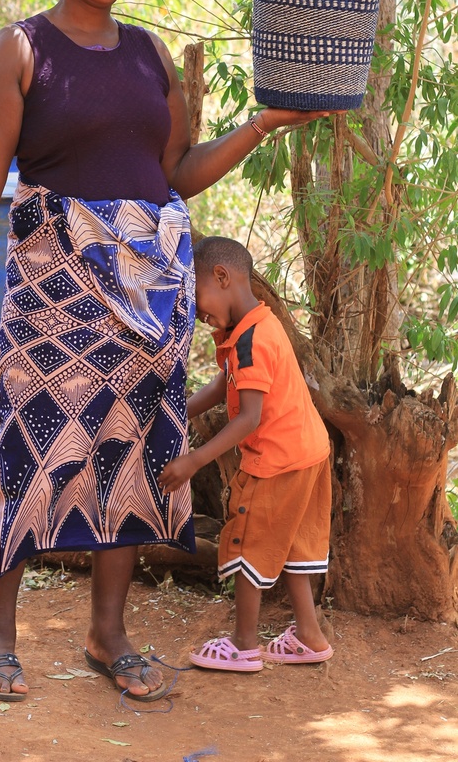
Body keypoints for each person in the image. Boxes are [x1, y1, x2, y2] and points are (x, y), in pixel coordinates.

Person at [0, 0, 334, 704]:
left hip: (148, 296)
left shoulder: (149, 56)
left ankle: (106, 633)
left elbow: (171, 179)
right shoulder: (18, 51)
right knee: (28, 449)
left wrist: (261, 124)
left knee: (130, 458)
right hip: (54, 289)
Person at [158, 236, 334, 671]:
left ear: (222, 277)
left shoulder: (250, 341)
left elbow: (249, 418)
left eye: (196, 297)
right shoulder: (256, 327)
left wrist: (193, 459)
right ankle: (309, 636)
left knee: (248, 541)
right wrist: (174, 411)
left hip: (276, 460)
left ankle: (243, 644)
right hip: (309, 451)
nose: (197, 313)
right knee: (292, 543)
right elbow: (224, 386)